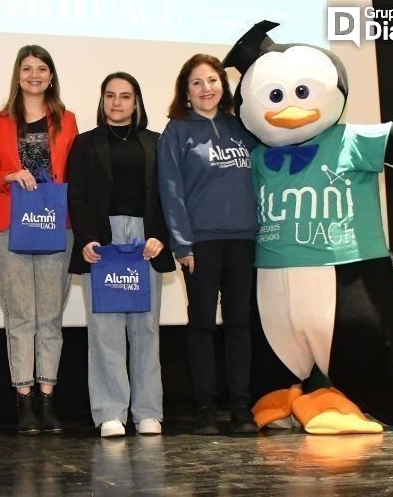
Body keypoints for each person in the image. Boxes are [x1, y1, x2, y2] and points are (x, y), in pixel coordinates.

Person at [67, 72, 175, 437]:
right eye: (110, 95)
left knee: (145, 328)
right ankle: (110, 411)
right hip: (102, 239)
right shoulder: (84, 144)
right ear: (102, 101)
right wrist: (85, 238)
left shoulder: (157, 142)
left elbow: (166, 196)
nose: (117, 102)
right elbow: (77, 197)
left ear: (137, 102)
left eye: (125, 96)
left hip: (146, 240)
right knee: (105, 330)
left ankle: (148, 411)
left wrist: (161, 235)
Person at [0, 45, 78, 434]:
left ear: (51, 77)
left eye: (42, 69)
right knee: (21, 317)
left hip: (57, 227)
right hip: (8, 227)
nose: (34, 75)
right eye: (27, 69)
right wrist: (7, 175)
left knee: (49, 317)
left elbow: (76, 173)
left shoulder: (67, 121)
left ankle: (48, 399)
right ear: (17, 76)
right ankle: (24, 402)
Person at [157, 54, 259, 434]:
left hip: (242, 239)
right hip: (200, 244)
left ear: (223, 85)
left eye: (212, 81)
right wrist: (182, 245)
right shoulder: (176, 131)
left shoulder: (241, 128)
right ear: (186, 91)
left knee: (239, 325)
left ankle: (241, 408)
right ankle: (205, 410)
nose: (206, 89)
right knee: (201, 325)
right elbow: (171, 191)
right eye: (197, 82)